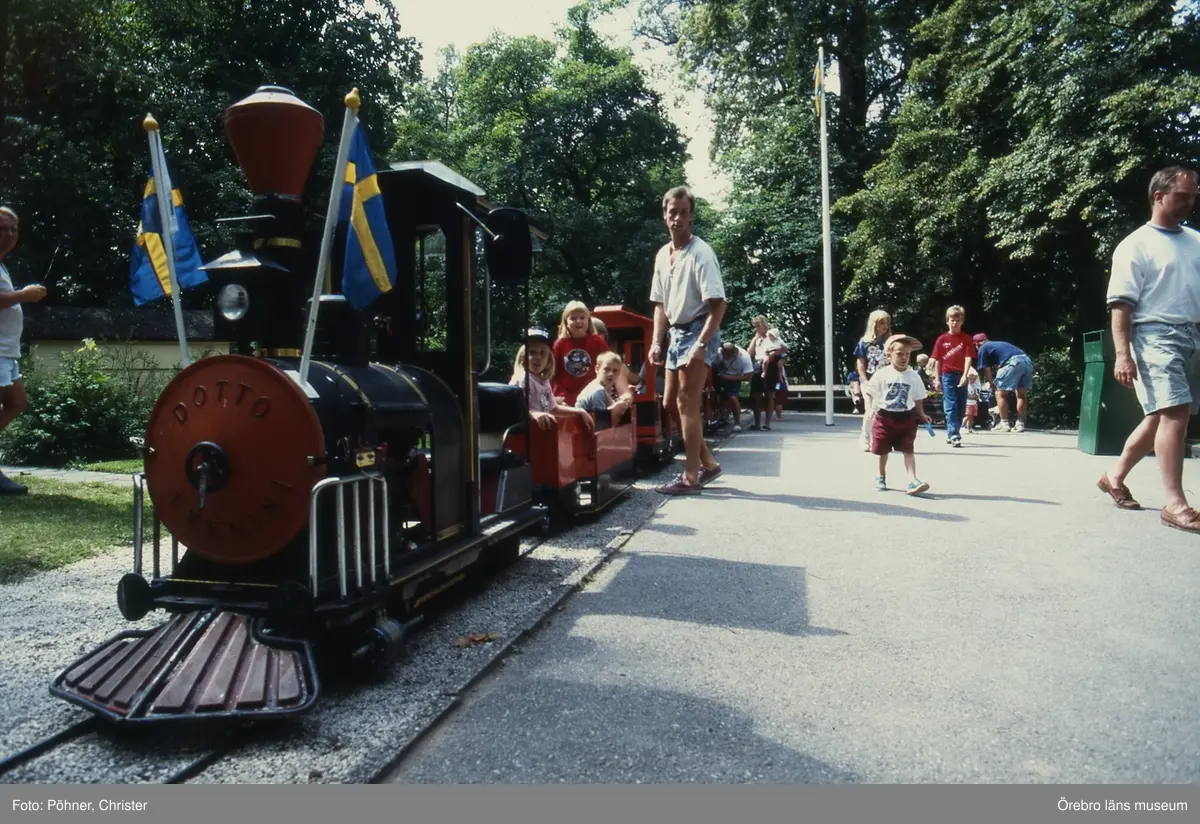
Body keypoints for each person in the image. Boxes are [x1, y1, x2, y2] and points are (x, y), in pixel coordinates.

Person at [1096, 166, 1200, 533]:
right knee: (1175, 412)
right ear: (1158, 196)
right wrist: (1123, 354)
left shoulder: (1196, 241)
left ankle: (1114, 475)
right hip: (1154, 335)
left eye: (1193, 195)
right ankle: (1175, 503)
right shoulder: (1135, 244)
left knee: (1160, 415)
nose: (1191, 201)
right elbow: (1121, 305)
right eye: (1183, 195)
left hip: (1193, 335)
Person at [649, 185, 726, 494]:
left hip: (699, 327)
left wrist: (701, 345)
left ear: (691, 216)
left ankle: (691, 477)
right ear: (664, 215)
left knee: (686, 402)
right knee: (670, 403)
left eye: (683, 212)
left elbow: (718, 305)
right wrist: (656, 342)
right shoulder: (662, 255)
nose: (677, 218)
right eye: (672, 212)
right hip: (676, 332)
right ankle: (709, 463)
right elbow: (660, 305)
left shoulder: (701, 254)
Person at [0, 207, 46, 495]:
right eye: (2, 229)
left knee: (17, 402)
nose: (8, 234)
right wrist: (23, 295)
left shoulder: (2, 265)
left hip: (7, 351)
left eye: (12, 229)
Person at [866, 334, 931, 495]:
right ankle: (880, 475)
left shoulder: (913, 376)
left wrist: (922, 414)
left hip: (907, 418)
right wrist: (869, 408)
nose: (904, 357)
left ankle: (912, 480)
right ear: (889, 354)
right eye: (900, 354)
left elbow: (918, 398)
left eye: (907, 354)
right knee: (882, 450)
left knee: (908, 449)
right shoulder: (882, 374)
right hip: (884, 417)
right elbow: (869, 391)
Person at [510, 327, 596, 433]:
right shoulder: (522, 378)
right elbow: (514, 409)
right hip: (524, 435)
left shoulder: (544, 381)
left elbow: (553, 409)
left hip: (541, 433)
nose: (537, 357)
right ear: (523, 357)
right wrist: (533, 414)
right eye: (532, 352)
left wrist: (579, 411)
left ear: (549, 359)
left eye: (542, 353)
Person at [926, 305, 976, 447]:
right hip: (947, 375)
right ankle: (954, 435)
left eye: (958, 320)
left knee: (961, 406)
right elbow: (937, 359)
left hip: (961, 375)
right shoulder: (942, 339)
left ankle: (952, 431)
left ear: (962, 321)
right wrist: (937, 378)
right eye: (952, 320)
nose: (954, 323)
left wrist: (965, 375)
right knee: (951, 404)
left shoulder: (966, 339)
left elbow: (968, 357)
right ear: (947, 321)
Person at [551, 301, 613, 406]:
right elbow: (551, 372)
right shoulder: (559, 344)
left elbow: (611, 364)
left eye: (582, 317)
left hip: (592, 395)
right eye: (573, 318)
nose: (578, 321)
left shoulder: (597, 342)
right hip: (566, 398)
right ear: (566, 322)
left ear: (588, 321)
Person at [972, 332, 1034, 432]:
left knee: (1000, 393)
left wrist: (991, 383)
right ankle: (1020, 424)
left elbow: (986, 369)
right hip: (1027, 361)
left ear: (976, 344)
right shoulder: (998, 344)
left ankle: (1004, 423)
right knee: (1021, 394)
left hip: (1013, 363)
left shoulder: (983, 348)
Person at [854, 310, 892, 451]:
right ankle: (865, 437)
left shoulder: (889, 341)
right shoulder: (864, 342)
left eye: (887, 323)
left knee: (884, 411)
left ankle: (882, 438)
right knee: (870, 410)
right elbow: (861, 363)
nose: (885, 326)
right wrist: (864, 380)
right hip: (869, 380)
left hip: (885, 381)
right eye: (882, 323)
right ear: (874, 324)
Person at [576, 352, 633, 431]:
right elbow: (602, 428)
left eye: (615, 371)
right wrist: (617, 409)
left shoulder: (600, 388)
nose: (611, 374)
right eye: (607, 369)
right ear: (597, 369)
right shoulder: (598, 391)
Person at [745, 316, 782, 430]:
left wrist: (772, 355)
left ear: (764, 325)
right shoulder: (757, 338)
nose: (756, 328)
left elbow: (782, 350)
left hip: (770, 365)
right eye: (755, 326)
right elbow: (748, 353)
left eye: (758, 326)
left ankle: (767, 423)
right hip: (757, 365)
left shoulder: (772, 336)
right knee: (755, 395)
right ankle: (757, 423)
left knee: (769, 395)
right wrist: (755, 338)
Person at [713, 341, 753, 432]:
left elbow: (748, 376)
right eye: (724, 355)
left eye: (727, 356)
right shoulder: (718, 352)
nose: (725, 358)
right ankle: (720, 418)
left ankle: (737, 423)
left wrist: (728, 377)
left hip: (735, 377)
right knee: (717, 396)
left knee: (733, 397)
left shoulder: (744, 357)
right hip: (721, 375)